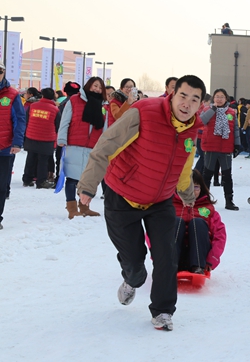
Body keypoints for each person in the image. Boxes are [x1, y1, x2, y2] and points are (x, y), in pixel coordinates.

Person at [77, 75, 206, 332]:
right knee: (136, 262)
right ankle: (131, 280)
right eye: (183, 96)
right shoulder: (144, 113)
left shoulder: (192, 130)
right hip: (122, 195)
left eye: (195, 99)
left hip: (160, 201)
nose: (187, 103)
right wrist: (88, 186)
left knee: (167, 256)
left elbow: (184, 167)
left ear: (201, 104)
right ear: (172, 94)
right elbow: (107, 145)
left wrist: (188, 195)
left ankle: (163, 311)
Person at [57, 76, 108, 219]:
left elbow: (105, 129)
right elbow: (65, 120)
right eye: (95, 86)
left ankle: (84, 207)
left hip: (93, 147)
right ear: (88, 86)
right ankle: (72, 208)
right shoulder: (74, 101)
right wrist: (62, 138)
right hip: (74, 144)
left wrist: (104, 147)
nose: (97, 89)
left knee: (87, 179)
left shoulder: (104, 107)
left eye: (100, 87)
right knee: (73, 179)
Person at [172, 169, 226, 274]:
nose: (191, 191)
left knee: (198, 223)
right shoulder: (169, 207)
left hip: (200, 257)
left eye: (195, 187)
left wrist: (212, 259)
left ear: (201, 188)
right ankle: (169, 265)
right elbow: (154, 232)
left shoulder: (208, 209)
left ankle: (198, 268)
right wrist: (157, 257)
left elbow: (220, 235)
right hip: (172, 257)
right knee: (176, 222)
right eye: (187, 187)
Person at [200, 88, 242, 211]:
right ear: (213, 98)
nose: (219, 99)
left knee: (227, 176)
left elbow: (235, 130)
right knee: (207, 175)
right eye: (217, 96)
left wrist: (237, 145)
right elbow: (202, 120)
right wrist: (213, 109)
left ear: (226, 99)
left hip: (226, 148)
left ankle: (229, 201)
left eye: (222, 97)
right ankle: (203, 200)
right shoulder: (207, 109)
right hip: (210, 146)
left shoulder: (232, 112)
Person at [0, 62, 26, 230]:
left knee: (1, 185)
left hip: (5, 148)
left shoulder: (12, 94)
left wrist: (17, 142)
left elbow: (20, 119)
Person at [22, 88, 61, 189]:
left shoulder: (33, 106)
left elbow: (26, 120)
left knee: (30, 157)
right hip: (47, 139)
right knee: (43, 161)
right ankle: (41, 181)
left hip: (31, 136)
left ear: (42, 95)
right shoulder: (55, 110)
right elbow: (58, 125)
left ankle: (27, 179)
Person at [193, 93, 212, 175]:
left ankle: (198, 173)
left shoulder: (197, 109)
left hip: (199, 136)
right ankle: (196, 172)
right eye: (209, 102)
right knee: (203, 157)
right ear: (204, 101)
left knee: (203, 156)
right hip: (201, 136)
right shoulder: (203, 110)